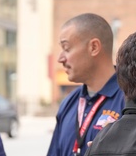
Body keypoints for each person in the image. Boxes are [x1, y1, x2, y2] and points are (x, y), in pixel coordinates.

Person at [47, 13, 125, 156]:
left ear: (94, 47)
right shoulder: (69, 104)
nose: (60, 59)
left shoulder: (130, 100)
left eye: (67, 48)